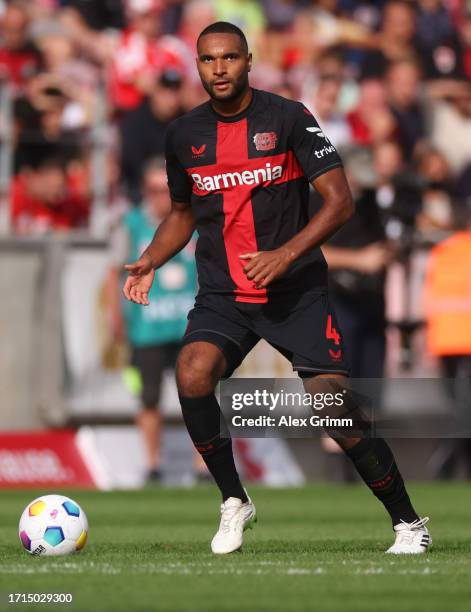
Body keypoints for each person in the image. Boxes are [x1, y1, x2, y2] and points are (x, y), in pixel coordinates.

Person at [123, 21, 431, 555]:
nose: (218, 69)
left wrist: (285, 255)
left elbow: (340, 201)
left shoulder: (287, 117)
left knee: (333, 406)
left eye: (229, 58)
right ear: (198, 66)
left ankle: (408, 521)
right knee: (193, 371)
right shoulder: (183, 136)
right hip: (225, 293)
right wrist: (149, 259)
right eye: (207, 60)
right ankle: (233, 500)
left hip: (295, 290)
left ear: (249, 60)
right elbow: (181, 213)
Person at [108, 158, 203, 483]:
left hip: (189, 325)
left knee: (201, 392)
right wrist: (116, 317)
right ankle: (152, 464)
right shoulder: (132, 224)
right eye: (153, 190)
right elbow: (113, 273)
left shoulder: (195, 221)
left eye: (165, 190)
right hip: (147, 327)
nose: (160, 197)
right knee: (149, 398)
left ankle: (204, 466)